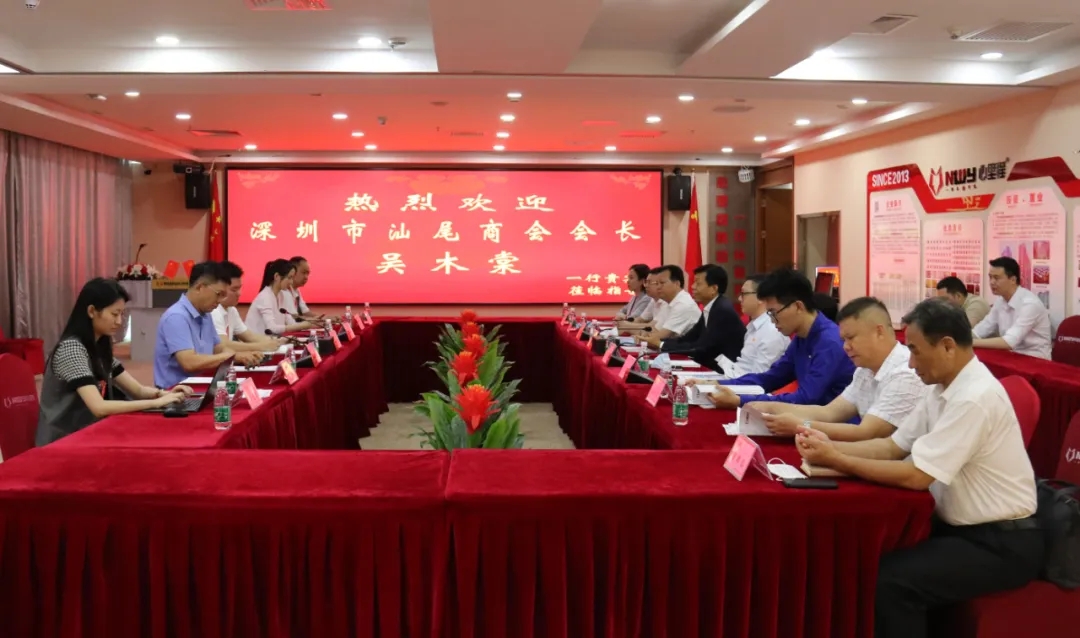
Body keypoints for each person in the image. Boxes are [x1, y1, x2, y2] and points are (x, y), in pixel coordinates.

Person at [796, 298, 1042, 638]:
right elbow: (891, 447)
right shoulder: (941, 387)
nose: (911, 363)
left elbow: (916, 476)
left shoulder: (974, 397)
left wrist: (838, 460)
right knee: (866, 554)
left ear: (947, 346)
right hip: (959, 529)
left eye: (915, 350)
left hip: (1000, 542)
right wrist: (827, 449)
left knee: (891, 581)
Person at [36, 278, 192, 446]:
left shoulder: (98, 347)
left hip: (89, 433)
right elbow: (99, 407)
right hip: (63, 441)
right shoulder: (71, 349)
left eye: (121, 314)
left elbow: (138, 390)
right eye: (114, 314)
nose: (119, 321)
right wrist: (156, 403)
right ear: (91, 311)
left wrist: (164, 394)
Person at [756, 297, 927, 440]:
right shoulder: (864, 369)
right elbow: (829, 412)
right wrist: (769, 407)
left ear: (879, 332)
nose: (846, 347)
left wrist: (801, 426)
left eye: (851, 338)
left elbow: (866, 433)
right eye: (844, 340)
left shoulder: (905, 373)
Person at [708, 267, 854, 408]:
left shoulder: (830, 342)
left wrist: (741, 400)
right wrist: (717, 385)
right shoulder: (801, 338)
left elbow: (806, 398)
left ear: (798, 306)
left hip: (832, 422)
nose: (772, 321)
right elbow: (771, 377)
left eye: (773, 313)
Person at [154, 261, 263, 389]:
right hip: (175, 392)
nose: (220, 301)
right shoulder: (176, 317)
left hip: (201, 385)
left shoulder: (206, 314)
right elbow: (189, 362)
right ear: (200, 287)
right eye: (219, 294)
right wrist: (231, 357)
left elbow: (219, 348)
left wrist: (240, 356)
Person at [640, 264, 745, 369]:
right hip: (709, 363)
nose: (692, 287)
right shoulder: (711, 307)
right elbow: (689, 339)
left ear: (713, 289)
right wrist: (660, 342)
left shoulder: (721, 310)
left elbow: (703, 348)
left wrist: (661, 344)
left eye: (698, 284)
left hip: (726, 370)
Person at [972, 257, 1052, 359]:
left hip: (1035, 360)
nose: (991, 282)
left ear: (1013, 280)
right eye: (990, 277)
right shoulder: (1000, 301)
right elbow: (980, 330)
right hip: (1012, 357)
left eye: (996, 278)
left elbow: (1009, 342)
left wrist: (970, 342)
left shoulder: (1030, 304)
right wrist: (960, 340)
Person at [213, 261, 289, 353]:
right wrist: (262, 346)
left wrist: (275, 341)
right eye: (234, 290)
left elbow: (249, 336)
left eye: (240, 288)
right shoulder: (214, 311)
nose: (239, 293)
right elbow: (223, 345)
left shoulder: (231, 310)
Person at [727, 274, 789, 376]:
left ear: (761, 297)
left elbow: (760, 377)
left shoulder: (772, 330)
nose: (739, 298)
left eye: (744, 294)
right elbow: (744, 366)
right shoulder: (753, 326)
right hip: (740, 379)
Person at [245, 259, 318, 337]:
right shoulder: (265, 297)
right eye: (289, 278)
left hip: (271, 341)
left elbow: (291, 323)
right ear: (277, 276)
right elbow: (272, 328)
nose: (291, 282)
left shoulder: (281, 295)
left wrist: (310, 324)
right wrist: (303, 325)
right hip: (256, 342)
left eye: (292, 278)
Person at [636, 264, 701, 340]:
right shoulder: (668, 302)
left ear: (677, 284)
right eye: (657, 283)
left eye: (662, 283)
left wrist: (643, 337)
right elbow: (654, 329)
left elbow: (658, 337)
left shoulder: (683, 304)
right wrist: (644, 335)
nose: (658, 287)